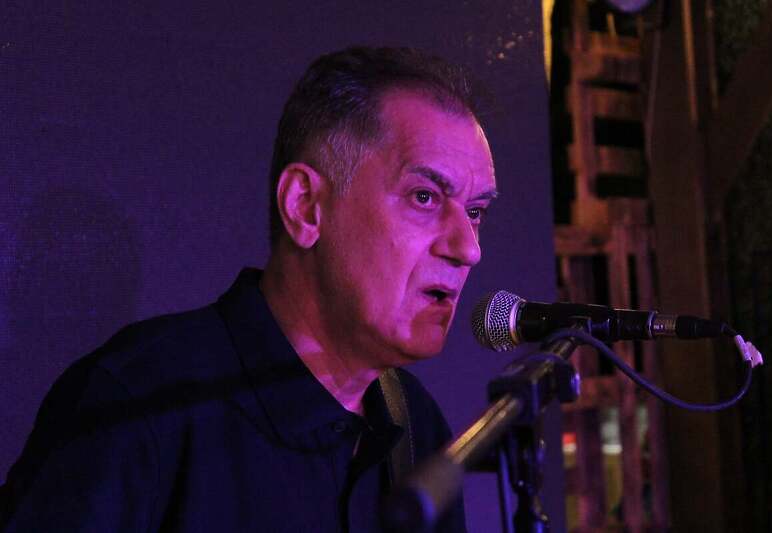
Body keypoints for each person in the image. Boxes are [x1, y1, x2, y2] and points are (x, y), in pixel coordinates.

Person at [0, 46, 497, 532]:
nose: (468, 249)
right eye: (425, 197)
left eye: (475, 211)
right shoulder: (136, 403)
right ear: (305, 207)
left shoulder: (418, 428)